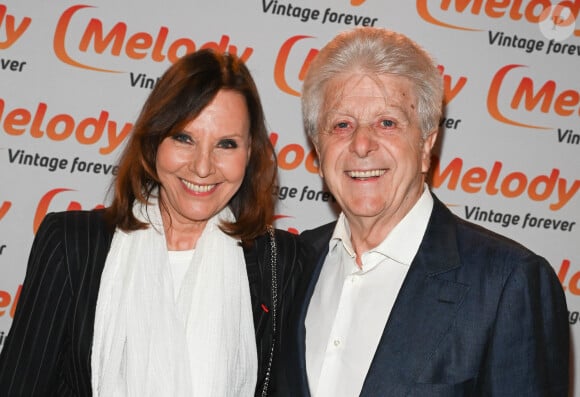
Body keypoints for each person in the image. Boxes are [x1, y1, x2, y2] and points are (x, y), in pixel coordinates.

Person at [0, 48, 308, 396]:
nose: (203, 167)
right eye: (184, 138)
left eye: (226, 144)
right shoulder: (72, 244)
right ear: (154, 140)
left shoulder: (281, 262)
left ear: (249, 154)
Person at [280, 27, 570, 396]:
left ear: (426, 144)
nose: (362, 144)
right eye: (341, 125)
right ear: (317, 150)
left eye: (387, 123)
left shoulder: (508, 283)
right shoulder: (291, 265)